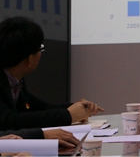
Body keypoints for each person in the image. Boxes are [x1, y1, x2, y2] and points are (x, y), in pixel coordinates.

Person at [0, 16, 103, 148]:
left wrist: (74, 107)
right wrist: (67, 115)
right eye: (40, 49)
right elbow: (9, 121)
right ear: (29, 60)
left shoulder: (13, 78)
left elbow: (36, 106)